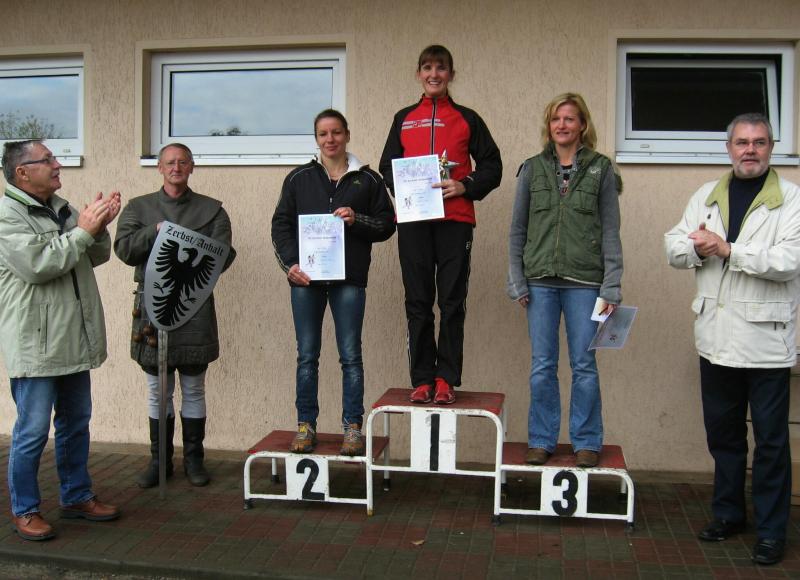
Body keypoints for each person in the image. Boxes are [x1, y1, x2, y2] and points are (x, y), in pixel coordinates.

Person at [665, 113, 800, 566]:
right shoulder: (706, 195)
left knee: (771, 443)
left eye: (759, 142)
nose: (750, 150)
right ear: (729, 148)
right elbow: (673, 246)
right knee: (724, 437)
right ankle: (728, 514)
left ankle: (771, 531)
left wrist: (728, 249)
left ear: (771, 147)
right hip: (716, 340)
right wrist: (694, 246)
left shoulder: (792, 200)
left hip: (766, 344)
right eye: (742, 142)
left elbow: (789, 260)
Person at [0, 140, 122, 541]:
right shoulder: (7, 216)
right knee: (32, 431)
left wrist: (98, 228)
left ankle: (76, 496)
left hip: (72, 339)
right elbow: (38, 265)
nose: (57, 165)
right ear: (22, 172)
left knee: (75, 423)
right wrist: (84, 231)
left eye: (55, 157)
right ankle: (25, 509)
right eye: (48, 159)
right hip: (36, 344)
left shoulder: (63, 208)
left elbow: (92, 256)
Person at [379, 44, 502, 405]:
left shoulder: (467, 118)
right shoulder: (403, 118)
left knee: (452, 301)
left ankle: (446, 378)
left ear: (451, 74)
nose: (434, 74)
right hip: (414, 222)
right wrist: (408, 189)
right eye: (428, 68)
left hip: (455, 221)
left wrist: (465, 185)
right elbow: (387, 166)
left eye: (441, 68)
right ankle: (421, 379)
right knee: (417, 301)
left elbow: (492, 165)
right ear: (418, 74)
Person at [507, 93, 623, 469]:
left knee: (584, 365)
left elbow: (610, 232)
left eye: (570, 119)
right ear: (549, 125)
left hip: (585, 283)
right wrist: (517, 280)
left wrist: (612, 286)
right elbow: (517, 230)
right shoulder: (532, 169)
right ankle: (541, 440)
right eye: (556, 119)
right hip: (539, 282)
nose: (562, 125)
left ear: (582, 125)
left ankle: (586, 442)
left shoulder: (601, 170)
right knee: (542, 365)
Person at [272, 109, 395, 456]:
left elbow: (388, 224)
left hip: (348, 280)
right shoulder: (298, 178)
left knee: (351, 356)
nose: (330, 139)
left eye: (336, 132)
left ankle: (352, 427)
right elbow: (280, 225)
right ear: (316, 139)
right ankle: (305, 425)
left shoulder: (367, 179)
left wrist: (357, 220)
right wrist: (290, 265)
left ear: (347, 135)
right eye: (323, 134)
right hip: (306, 281)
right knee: (307, 356)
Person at [114, 143, 236, 488]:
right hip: (152, 309)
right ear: (160, 167)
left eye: (183, 162)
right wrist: (154, 231)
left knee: (194, 387)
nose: (176, 167)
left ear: (192, 166)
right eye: (170, 162)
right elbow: (124, 249)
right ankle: (160, 463)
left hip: (194, 306)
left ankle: (194, 460)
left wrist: (181, 240)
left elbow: (222, 256)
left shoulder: (213, 211)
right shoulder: (138, 208)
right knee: (158, 390)